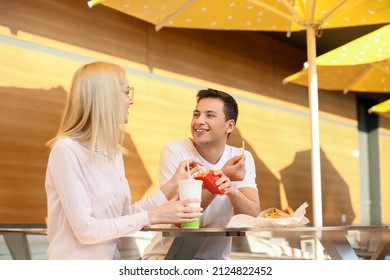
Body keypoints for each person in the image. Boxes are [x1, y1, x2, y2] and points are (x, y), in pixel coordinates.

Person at [44, 62, 227, 259]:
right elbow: (87, 231)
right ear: (106, 98)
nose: (130, 101)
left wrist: (172, 185)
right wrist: (156, 215)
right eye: (126, 92)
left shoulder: (112, 154)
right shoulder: (66, 150)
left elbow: (125, 217)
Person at [142, 88, 260, 260]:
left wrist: (232, 190)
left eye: (210, 115)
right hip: (166, 257)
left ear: (230, 125)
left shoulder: (241, 157)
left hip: (215, 260)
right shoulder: (176, 151)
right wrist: (220, 177)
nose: (199, 121)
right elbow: (180, 218)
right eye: (196, 115)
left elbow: (252, 215)